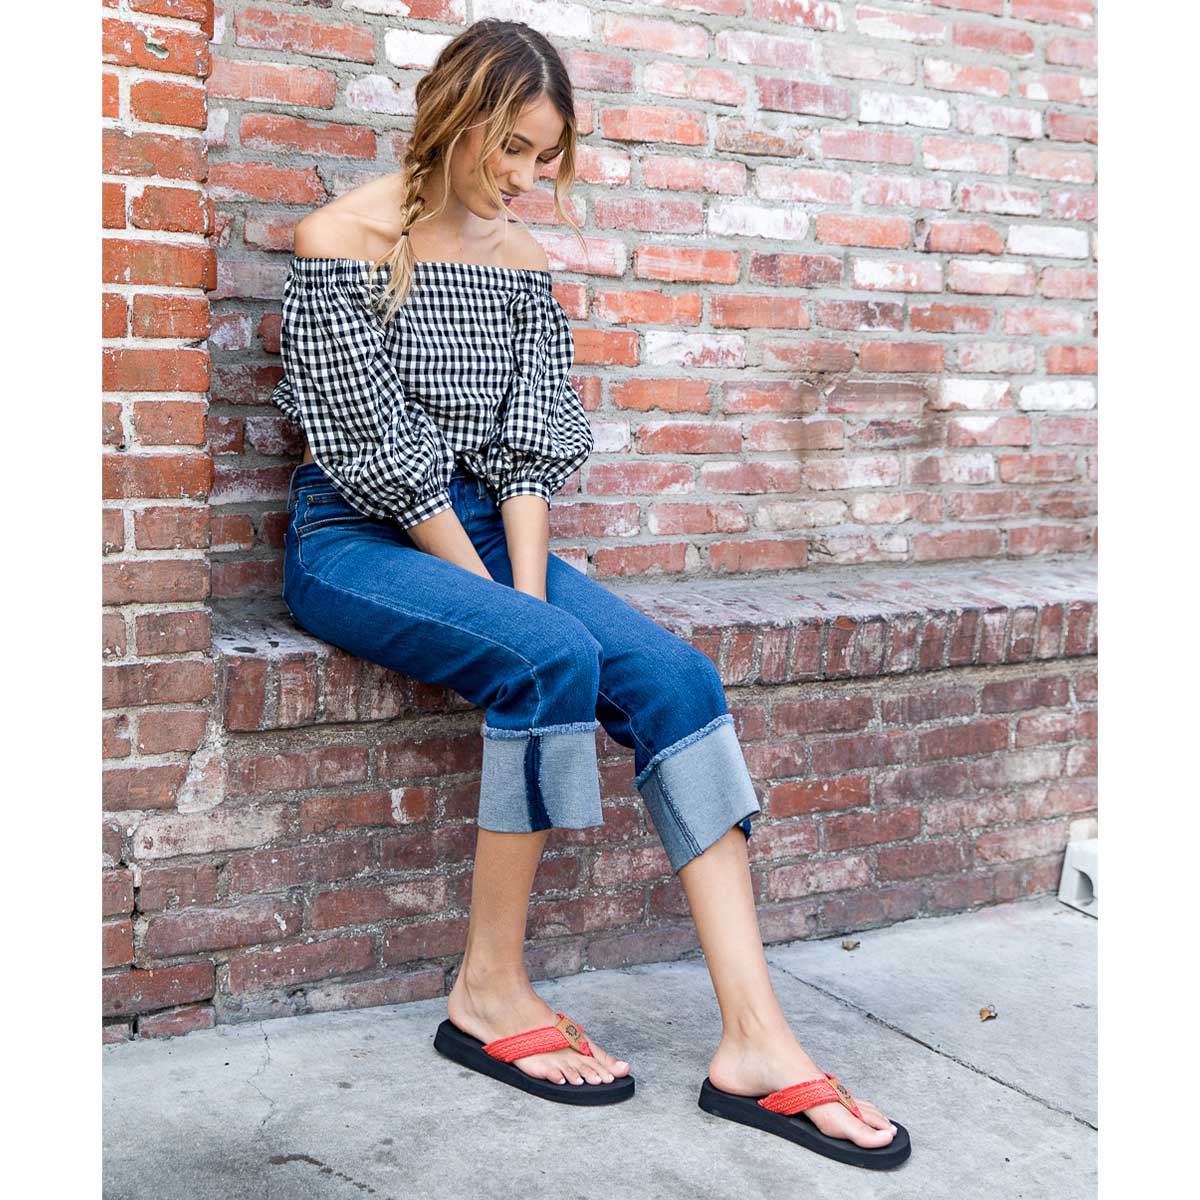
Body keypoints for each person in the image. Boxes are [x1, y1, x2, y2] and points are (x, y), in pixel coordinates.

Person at [271, 17, 908, 1171]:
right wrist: (525, 622)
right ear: (455, 121)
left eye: (544, 156)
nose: (525, 177)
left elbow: (527, 457)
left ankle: (756, 1041)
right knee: (548, 654)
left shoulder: (519, 261)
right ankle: (488, 990)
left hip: (477, 526)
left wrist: (525, 596)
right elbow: (384, 464)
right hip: (355, 538)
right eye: (510, 148)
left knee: (677, 678)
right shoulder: (337, 242)